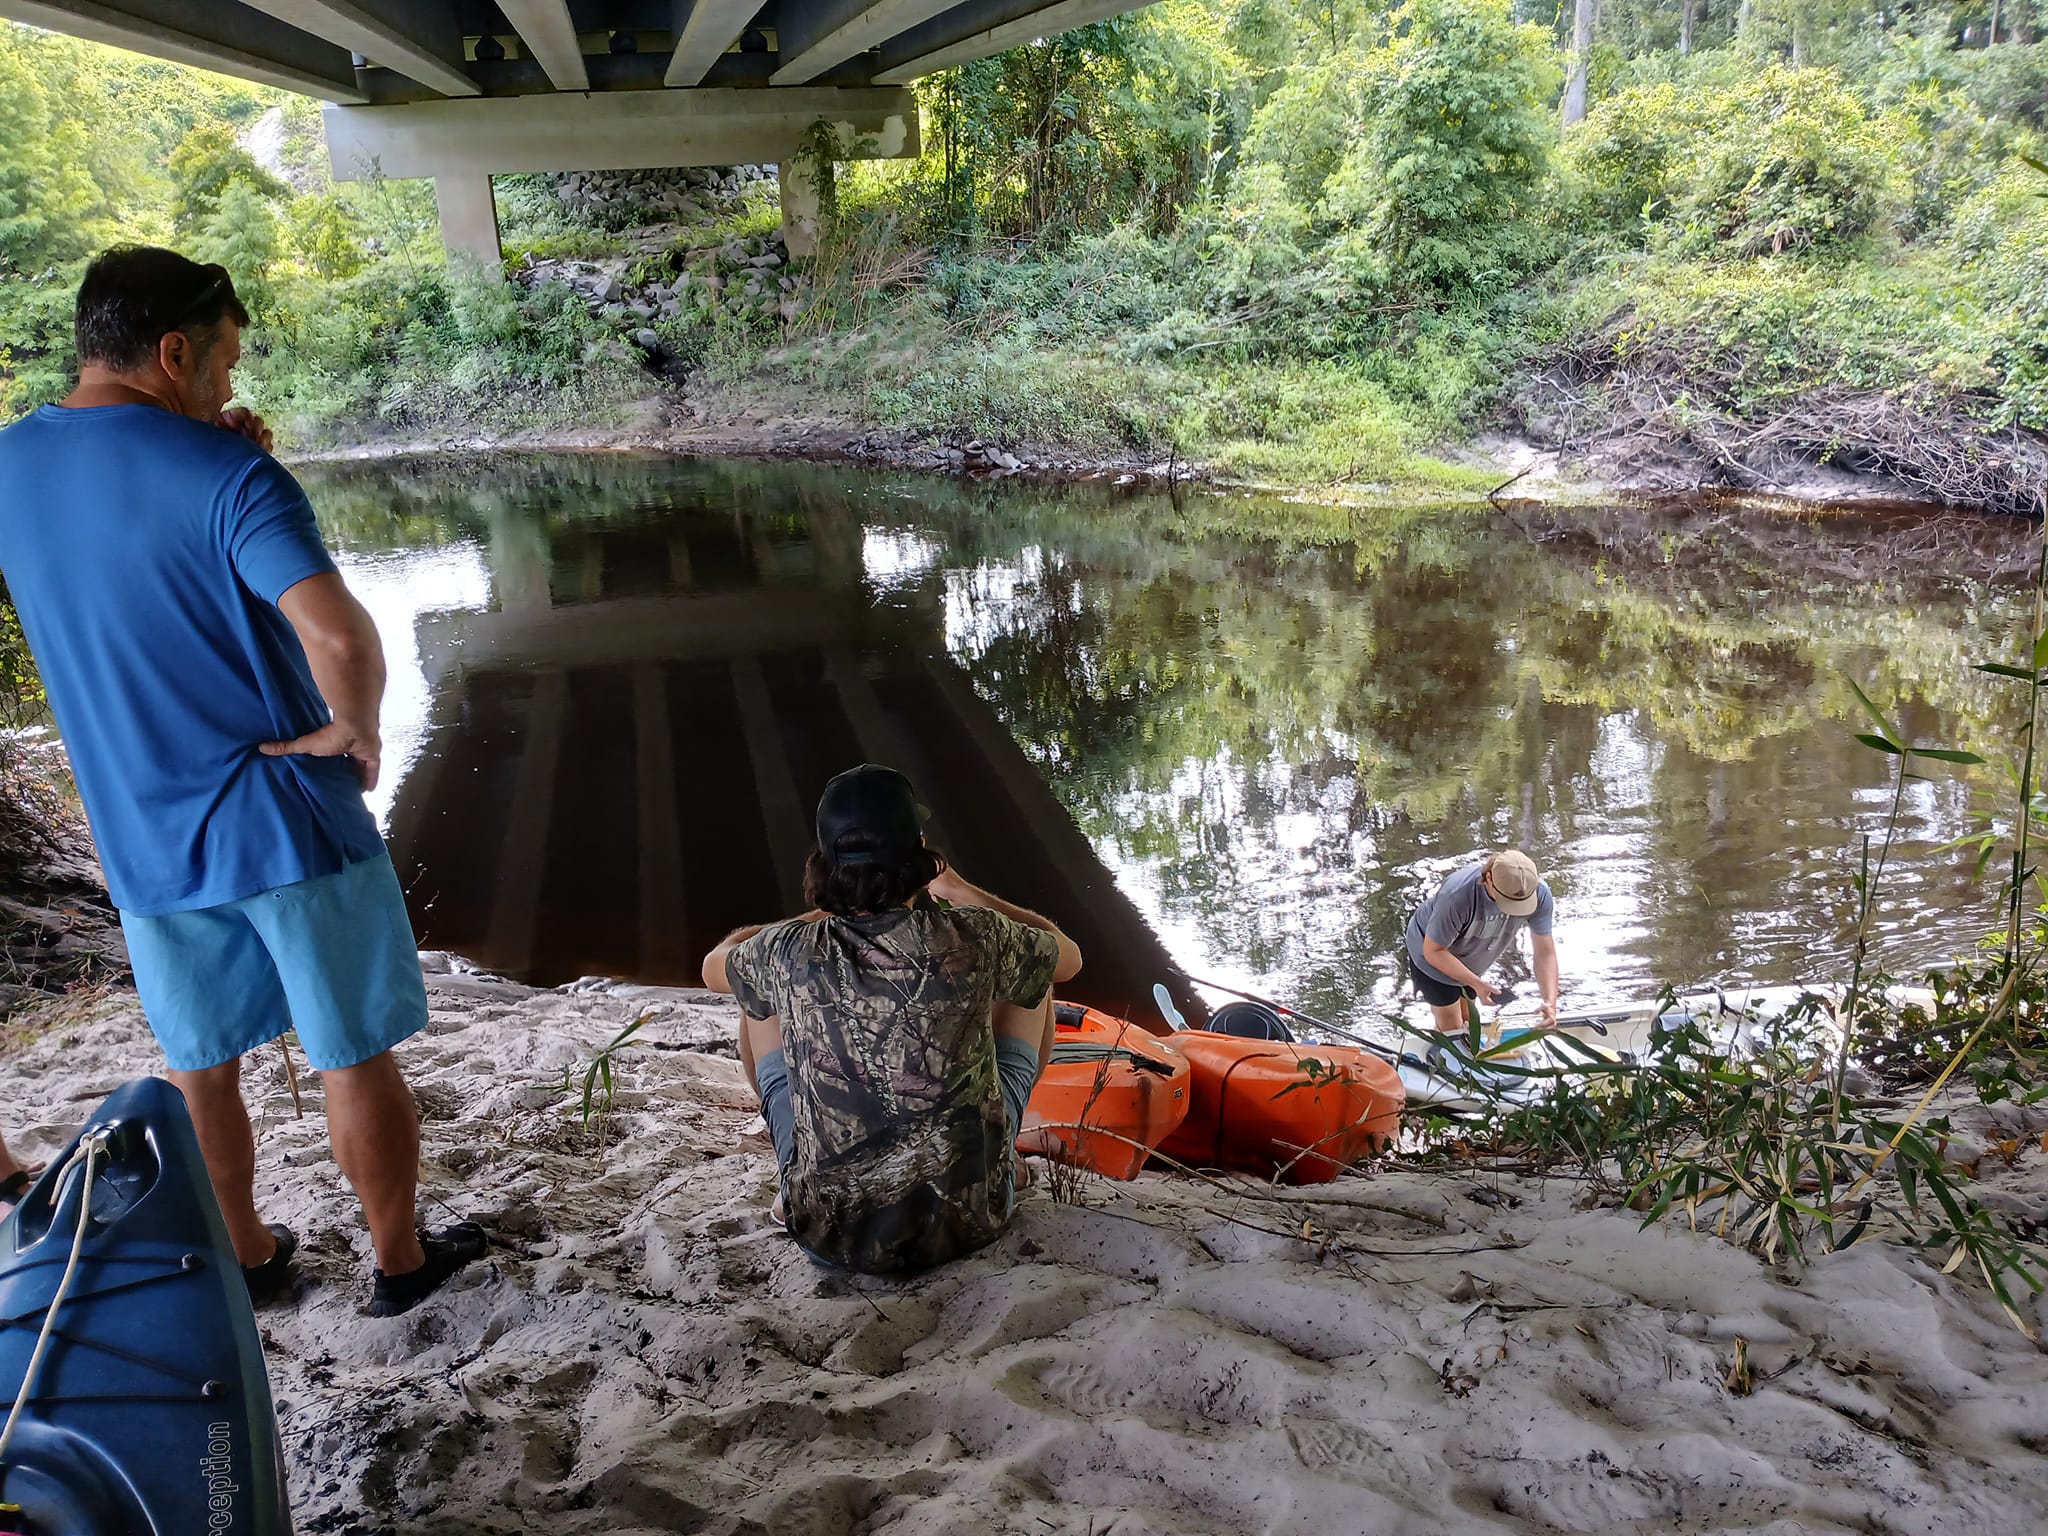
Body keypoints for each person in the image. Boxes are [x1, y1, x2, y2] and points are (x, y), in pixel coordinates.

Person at [0, 247, 482, 1316]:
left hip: (141, 834)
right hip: (279, 819)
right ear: (172, 352)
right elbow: (336, 633)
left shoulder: (11, 465)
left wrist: (199, 445)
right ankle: (399, 1263)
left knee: (201, 1061)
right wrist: (354, 729)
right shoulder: (232, 477)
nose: (230, 383)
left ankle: (250, 1254)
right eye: (221, 360)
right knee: (351, 1049)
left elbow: (125, 571)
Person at [701, 763, 1082, 1274]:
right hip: (970, 1223)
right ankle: (1001, 1157)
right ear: (921, 851)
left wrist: (829, 907)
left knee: (756, 1000)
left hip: (826, 1233)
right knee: (1036, 978)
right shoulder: (977, 935)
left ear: (825, 860)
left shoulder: (786, 950)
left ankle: (792, 1176)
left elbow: (713, 965)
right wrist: (965, 893)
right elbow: (1069, 958)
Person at [1405, 849, 1560, 1036]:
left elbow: (1545, 952)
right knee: (1453, 1028)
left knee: (1470, 1021)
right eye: (1507, 901)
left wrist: (1550, 1001)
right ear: (1489, 879)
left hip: (1471, 957)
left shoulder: (1539, 894)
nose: (1514, 911)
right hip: (1431, 954)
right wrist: (1477, 984)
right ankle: (1439, 1050)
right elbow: (1434, 951)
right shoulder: (1456, 895)